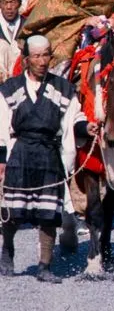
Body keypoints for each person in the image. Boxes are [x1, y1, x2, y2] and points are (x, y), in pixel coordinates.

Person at [0, 35, 87, 283]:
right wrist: (1, 159)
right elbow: (1, 124)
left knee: (48, 213)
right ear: (26, 60)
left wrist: (85, 129)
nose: (42, 61)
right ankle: (7, 248)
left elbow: (74, 118)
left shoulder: (63, 89)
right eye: (36, 56)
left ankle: (44, 266)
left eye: (46, 55)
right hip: (20, 152)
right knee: (13, 211)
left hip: (49, 154)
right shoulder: (10, 89)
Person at [0, 0, 23, 78]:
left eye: (13, 2)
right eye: (4, 3)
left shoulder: (28, 25)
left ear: (19, 3)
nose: (9, 7)